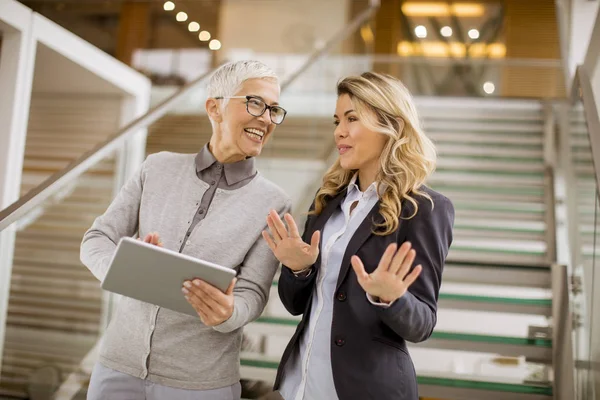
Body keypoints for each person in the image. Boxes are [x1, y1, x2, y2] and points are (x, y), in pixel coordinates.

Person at [80, 60, 292, 400]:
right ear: (215, 107)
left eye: (274, 109)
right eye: (255, 103)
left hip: (201, 384)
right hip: (116, 368)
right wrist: (129, 271)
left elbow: (253, 292)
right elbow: (96, 239)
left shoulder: (274, 203)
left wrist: (228, 313)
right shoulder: (157, 167)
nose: (266, 118)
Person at [262, 72, 454, 400]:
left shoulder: (424, 209)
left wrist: (389, 297)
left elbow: (422, 323)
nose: (339, 131)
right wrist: (299, 269)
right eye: (337, 120)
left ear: (390, 125)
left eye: (352, 118)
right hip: (302, 384)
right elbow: (294, 305)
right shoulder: (326, 201)